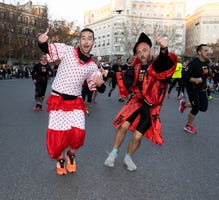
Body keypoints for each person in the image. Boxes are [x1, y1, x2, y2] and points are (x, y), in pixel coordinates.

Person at [37, 28, 106, 175]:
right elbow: (46, 48)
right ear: (79, 41)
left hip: (76, 102)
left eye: (89, 38)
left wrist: (100, 83)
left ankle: (71, 155)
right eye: (83, 38)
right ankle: (61, 159)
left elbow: (100, 88)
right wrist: (41, 41)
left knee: (78, 134)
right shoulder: (67, 50)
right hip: (58, 100)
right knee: (59, 136)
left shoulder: (93, 66)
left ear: (93, 42)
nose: (86, 41)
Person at [104, 32, 177, 171]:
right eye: (138, 52)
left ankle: (128, 157)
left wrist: (164, 49)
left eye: (144, 50)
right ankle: (113, 153)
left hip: (151, 108)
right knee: (123, 125)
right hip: (136, 101)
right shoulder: (136, 68)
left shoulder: (157, 65)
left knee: (137, 136)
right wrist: (109, 74)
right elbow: (126, 78)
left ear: (151, 50)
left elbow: (164, 63)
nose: (142, 54)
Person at [178, 44, 210, 134]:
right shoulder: (194, 62)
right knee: (196, 107)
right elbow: (184, 74)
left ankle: (185, 105)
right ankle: (188, 125)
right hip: (192, 88)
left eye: (208, 50)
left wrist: (205, 82)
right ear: (199, 52)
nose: (208, 52)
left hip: (202, 87)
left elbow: (206, 74)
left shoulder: (206, 62)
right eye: (205, 50)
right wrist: (194, 79)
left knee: (203, 107)